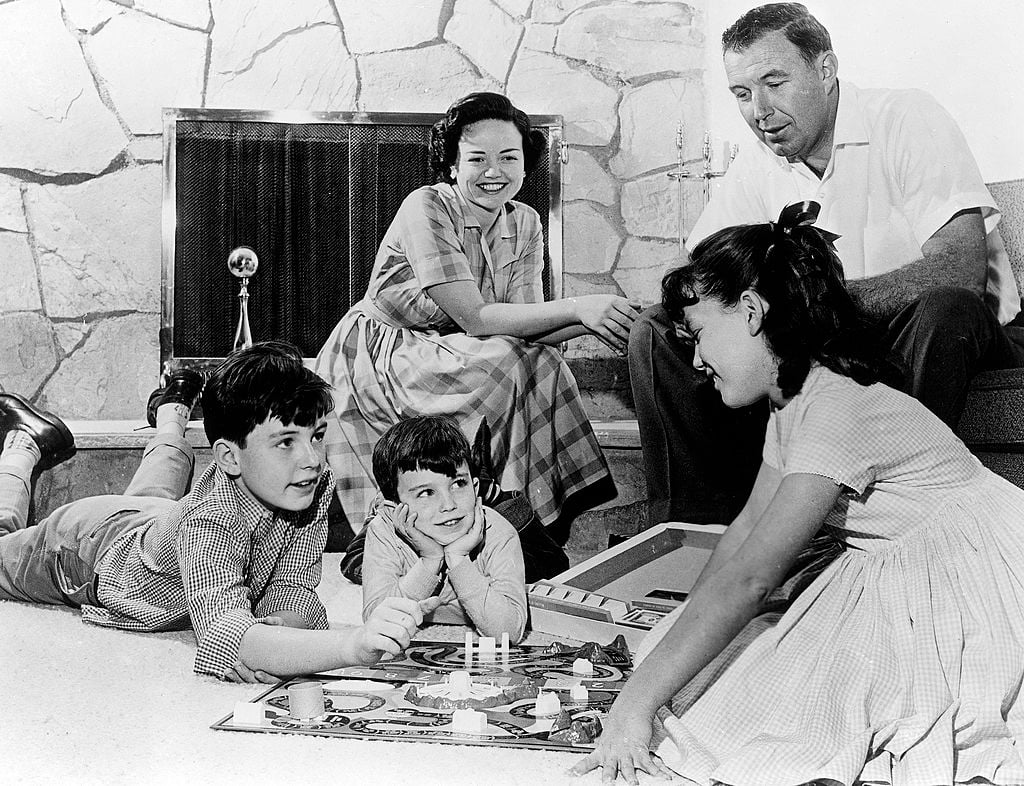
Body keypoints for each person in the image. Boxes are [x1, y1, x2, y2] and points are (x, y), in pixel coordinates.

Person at [573, 203, 1024, 784]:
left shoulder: (835, 406)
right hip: (897, 557)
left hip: (974, 567)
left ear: (752, 312)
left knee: (812, 714)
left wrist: (635, 705)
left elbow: (753, 580)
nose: (696, 361)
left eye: (700, 336)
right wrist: (675, 639)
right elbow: (742, 535)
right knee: (722, 678)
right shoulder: (792, 403)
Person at [629, 2, 1024, 526]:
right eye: (742, 94)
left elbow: (960, 270)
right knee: (660, 329)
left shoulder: (905, 116)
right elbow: (702, 278)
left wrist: (810, 304)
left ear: (826, 69)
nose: (759, 111)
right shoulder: (758, 161)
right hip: (829, 342)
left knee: (944, 308)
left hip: (945, 334)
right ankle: (700, 531)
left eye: (774, 83)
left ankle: (881, 523)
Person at [314, 91, 639, 552]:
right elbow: (476, 316)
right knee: (504, 362)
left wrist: (600, 321)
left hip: (462, 350)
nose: (493, 172)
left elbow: (527, 326)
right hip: (385, 352)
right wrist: (579, 307)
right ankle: (486, 506)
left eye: (508, 158)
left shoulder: (525, 222)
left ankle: (525, 521)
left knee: (544, 362)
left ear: (525, 166)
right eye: (477, 159)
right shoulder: (427, 205)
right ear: (452, 165)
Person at [0, 341, 434, 681]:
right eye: (286, 441)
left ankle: (172, 414)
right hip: (85, 548)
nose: (312, 459)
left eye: (317, 435)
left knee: (158, 489)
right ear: (228, 457)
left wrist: (278, 632)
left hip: (159, 519)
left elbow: (295, 589)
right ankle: (23, 446)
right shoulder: (211, 519)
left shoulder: (306, 486)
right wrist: (352, 646)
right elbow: (224, 636)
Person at [361, 415, 528, 643]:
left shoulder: (499, 533)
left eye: (458, 483)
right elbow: (377, 622)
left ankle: (490, 487)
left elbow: (508, 632)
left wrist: (458, 558)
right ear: (395, 508)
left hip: (506, 535)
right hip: (403, 530)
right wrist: (430, 559)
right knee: (353, 562)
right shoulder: (383, 531)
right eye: (426, 493)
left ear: (474, 487)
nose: (449, 505)